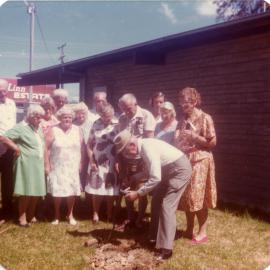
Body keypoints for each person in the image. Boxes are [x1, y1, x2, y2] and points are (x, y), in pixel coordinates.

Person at [113, 130, 192, 260]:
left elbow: (155, 178)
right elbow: (149, 172)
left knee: (167, 206)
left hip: (179, 171)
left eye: (125, 151)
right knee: (156, 202)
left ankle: (166, 249)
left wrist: (138, 194)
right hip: (167, 171)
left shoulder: (147, 148)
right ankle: (154, 238)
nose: (126, 155)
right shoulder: (142, 148)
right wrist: (133, 178)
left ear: (132, 144)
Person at [174, 87, 217, 244]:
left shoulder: (205, 118)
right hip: (186, 159)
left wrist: (195, 137)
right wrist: (177, 138)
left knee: (198, 197)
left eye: (185, 102)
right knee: (187, 196)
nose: (182, 105)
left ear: (194, 102)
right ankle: (189, 228)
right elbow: (179, 140)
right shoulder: (183, 119)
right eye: (181, 102)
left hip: (201, 160)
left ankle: (202, 232)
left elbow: (212, 142)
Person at [0, 104, 47, 227]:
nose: (40, 119)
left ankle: (31, 215)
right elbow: (3, 137)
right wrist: (15, 147)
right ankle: (22, 217)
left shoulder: (38, 128)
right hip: (26, 162)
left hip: (38, 163)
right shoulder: (21, 127)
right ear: (30, 116)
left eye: (41, 117)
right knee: (26, 190)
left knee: (36, 191)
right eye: (37, 117)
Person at [118, 93, 156, 228]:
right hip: (126, 159)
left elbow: (150, 140)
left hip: (141, 159)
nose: (126, 111)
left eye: (128, 108)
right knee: (127, 188)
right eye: (123, 108)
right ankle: (130, 217)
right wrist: (120, 160)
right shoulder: (122, 118)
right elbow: (120, 140)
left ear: (135, 103)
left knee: (141, 189)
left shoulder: (146, 116)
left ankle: (140, 218)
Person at [46, 105, 83, 225]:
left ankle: (70, 214)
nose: (67, 119)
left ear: (72, 118)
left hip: (72, 165)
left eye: (69, 117)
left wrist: (81, 163)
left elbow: (81, 148)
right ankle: (56, 215)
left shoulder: (78, 130)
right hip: (57, 165)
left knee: (71, 191)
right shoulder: (53, 129)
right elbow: (45, 148)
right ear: (60, 118)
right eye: (64, 117)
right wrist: (46, 164)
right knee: (58, 190)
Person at [85, 104, 119, 223]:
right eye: (104, 116)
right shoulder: (95, 124)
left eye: (109, 116)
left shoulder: (117, 124)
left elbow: (120, 144)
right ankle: (95, 214)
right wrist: (91, 160)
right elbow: (89, 145)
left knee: (110, 189)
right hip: (97, 161)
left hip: (112, 162)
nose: (107, 119)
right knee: (97, 188)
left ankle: (109, 213)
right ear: (100, 114)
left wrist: (118, 161)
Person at [0, 79, 16, 220]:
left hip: (8, 147)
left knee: (8, 179)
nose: (1, 93)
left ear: (7, 90)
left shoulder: (12, 104)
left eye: (4, 90)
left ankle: (7, 208)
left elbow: (13, 125)